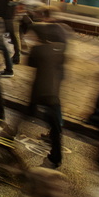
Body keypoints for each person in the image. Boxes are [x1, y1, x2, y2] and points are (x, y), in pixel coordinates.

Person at [28, 22, 69, 168]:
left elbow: (30, 62)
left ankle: (8, 138)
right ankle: (56, 156)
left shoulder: (40, 50)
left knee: (25, 116)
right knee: (55, 124)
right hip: (53, 93)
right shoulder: (60, 51)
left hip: (39, 91)